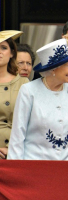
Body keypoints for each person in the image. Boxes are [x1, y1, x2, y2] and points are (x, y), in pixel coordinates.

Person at [8, 38, 68, 160]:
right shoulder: (29, 91)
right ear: (53, 69)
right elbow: (18, 135)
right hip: (35, 168)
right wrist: (16, 173)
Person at [0, 30, 29, 159]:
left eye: (3, 48)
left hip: (18, 153)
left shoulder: (23, 83)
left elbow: (31, 122)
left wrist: (13, 148)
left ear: (12, 53)